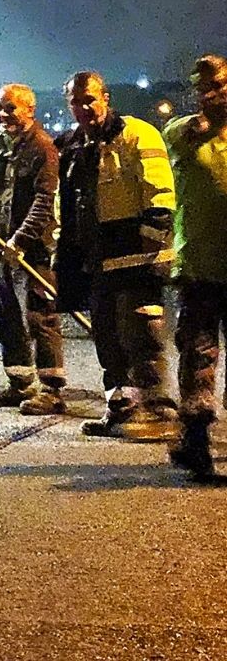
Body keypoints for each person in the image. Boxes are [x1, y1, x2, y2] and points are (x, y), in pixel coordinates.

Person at [55, 71, 177, 437]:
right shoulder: (73, 147)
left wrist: (153, 238)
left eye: (90, 99)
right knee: (107, 336)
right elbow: (68, 203)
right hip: (97, 258)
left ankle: (159, 409)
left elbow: (160, 193)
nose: (84, 107)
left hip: (136, 256)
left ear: (106, 98)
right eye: (76, 102)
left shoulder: (137, 134)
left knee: (142, 331)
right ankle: (122, 407)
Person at [0, 84, 66, 414]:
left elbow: (43, 201)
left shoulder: (43, 148)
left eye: (10, 108)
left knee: (40, 318)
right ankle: (20, 384)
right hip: (1, 250)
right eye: (0, 108)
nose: (3, 114)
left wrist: (19, 240)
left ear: (29, 110)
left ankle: (51, 392)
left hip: (33, 250)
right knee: (7, 318)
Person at [164, 54, 227, 478]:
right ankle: (196, 441)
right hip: (202, 264)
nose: (212, 94)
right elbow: (187, 132)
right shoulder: (184, 132)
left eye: (219, 85)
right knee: (198, 352)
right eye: (203, 88)